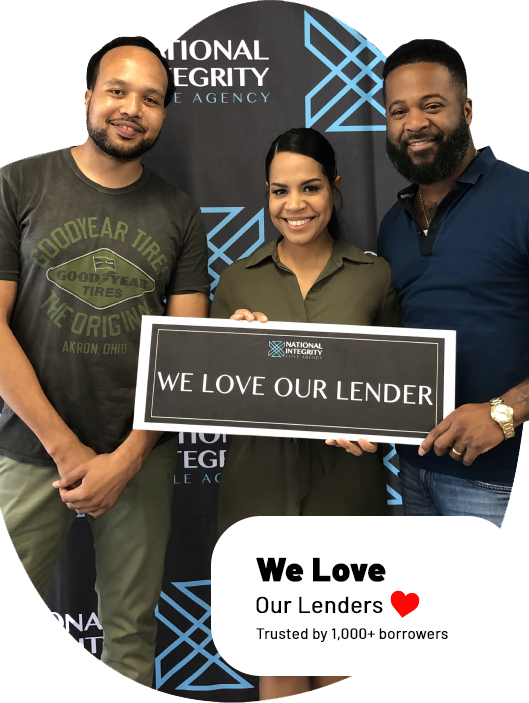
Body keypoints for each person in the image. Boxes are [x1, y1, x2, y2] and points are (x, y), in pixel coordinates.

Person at [0, 36, 209, 686]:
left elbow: (185, 352)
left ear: (163, 114)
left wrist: (128, 457)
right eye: (117, 90)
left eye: (151, 99)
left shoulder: (179, 212)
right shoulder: (17, 184)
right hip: (29, 450)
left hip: (139, 457)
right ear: (88, 97)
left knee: (131, 637)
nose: (132, 108)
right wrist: (67, 449)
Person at [211, 127, 401, 700]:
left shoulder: (374, 276)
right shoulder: (236, 281)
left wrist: (376, 430)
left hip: (347, 493)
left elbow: (398, 386)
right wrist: (232, 347)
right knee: (279, 661)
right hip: (258, 492)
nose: (294, 204)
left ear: (335, 189)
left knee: (341, 658)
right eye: (279, 191)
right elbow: (211, 394)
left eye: (310, 187)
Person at [378, 39, 529, 527]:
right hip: (411, 471)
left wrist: (505, 414)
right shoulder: (392, 225)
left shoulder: (523, 198)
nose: (414, 123)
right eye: (399, 110)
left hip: (502, 480)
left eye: (432, 105)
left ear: (466, 110)